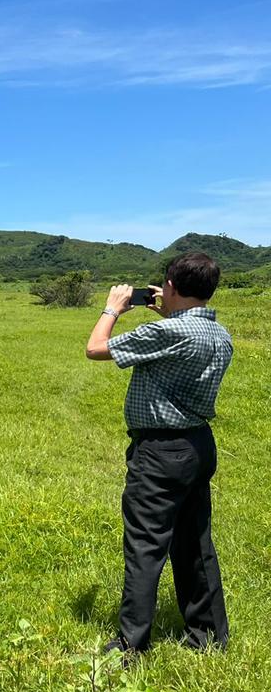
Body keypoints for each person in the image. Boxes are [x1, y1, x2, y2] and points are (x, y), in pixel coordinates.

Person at [84, 252, 233, 659]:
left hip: (160, 451)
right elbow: (180, 338)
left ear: (170, 285)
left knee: (146, 545)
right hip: (198, 445)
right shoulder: (219, 334)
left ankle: (131, 644)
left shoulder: (170, 334)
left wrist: (111, 309)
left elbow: (95, 348)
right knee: (195, 541)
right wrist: (168, 312)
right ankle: (208, 635)